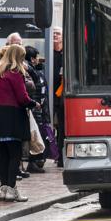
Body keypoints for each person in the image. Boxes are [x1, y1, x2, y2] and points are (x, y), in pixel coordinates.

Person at [0, 44, 39, 202]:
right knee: (15, 155)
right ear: (19, 57)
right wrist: (33, 104)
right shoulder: (15, 73)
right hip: (13, 115)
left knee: (3, 154)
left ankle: (4, 189)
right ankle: (11, 189)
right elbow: (22, 97)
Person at [25, 45, 49, 173]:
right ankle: (32, 161)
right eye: (35, 58)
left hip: (36, 106)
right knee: (34, 135)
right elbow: (37, 88)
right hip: (34, 107)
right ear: (32, 58)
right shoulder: (29, 70)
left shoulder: (33, 69)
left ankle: (35, 160)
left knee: (36, 134)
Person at [52, 26, 65, 167]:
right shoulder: (48, 53)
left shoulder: (66, 53)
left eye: (58, 33)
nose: (55, 35)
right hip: (49, 95)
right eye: (53, 33)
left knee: (62, 127)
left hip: (62, 96)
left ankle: (61, 157)